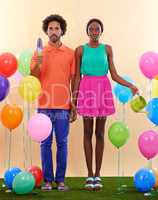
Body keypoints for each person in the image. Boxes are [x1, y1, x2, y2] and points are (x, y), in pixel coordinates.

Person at [72, 18, 138, 191]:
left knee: (99, 133)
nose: (94, 31)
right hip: (87, 90)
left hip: (102, 90)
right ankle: (89, 175)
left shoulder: (107, 49)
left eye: (97, 29)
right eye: (91, 29)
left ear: (101, 31)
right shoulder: (80, 50)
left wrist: (130, 85)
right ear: (87, 31)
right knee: (87, 132)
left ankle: (98, 175)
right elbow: (77, 76)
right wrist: (74, 99)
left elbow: (114, 74)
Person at [30, 14, 76, 191]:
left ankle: (61, 180)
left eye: (57, 28)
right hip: (44, 105)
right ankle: (48, 181)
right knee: (45, 144)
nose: (54, 31)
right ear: (46, 31)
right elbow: (33, 76)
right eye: (50, 28)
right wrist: (38, 63)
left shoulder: (70, 53)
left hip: (63, 106)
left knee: (62, 143)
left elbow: (73, 80)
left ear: (62, 30)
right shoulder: (38, 52)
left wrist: (73, 103)